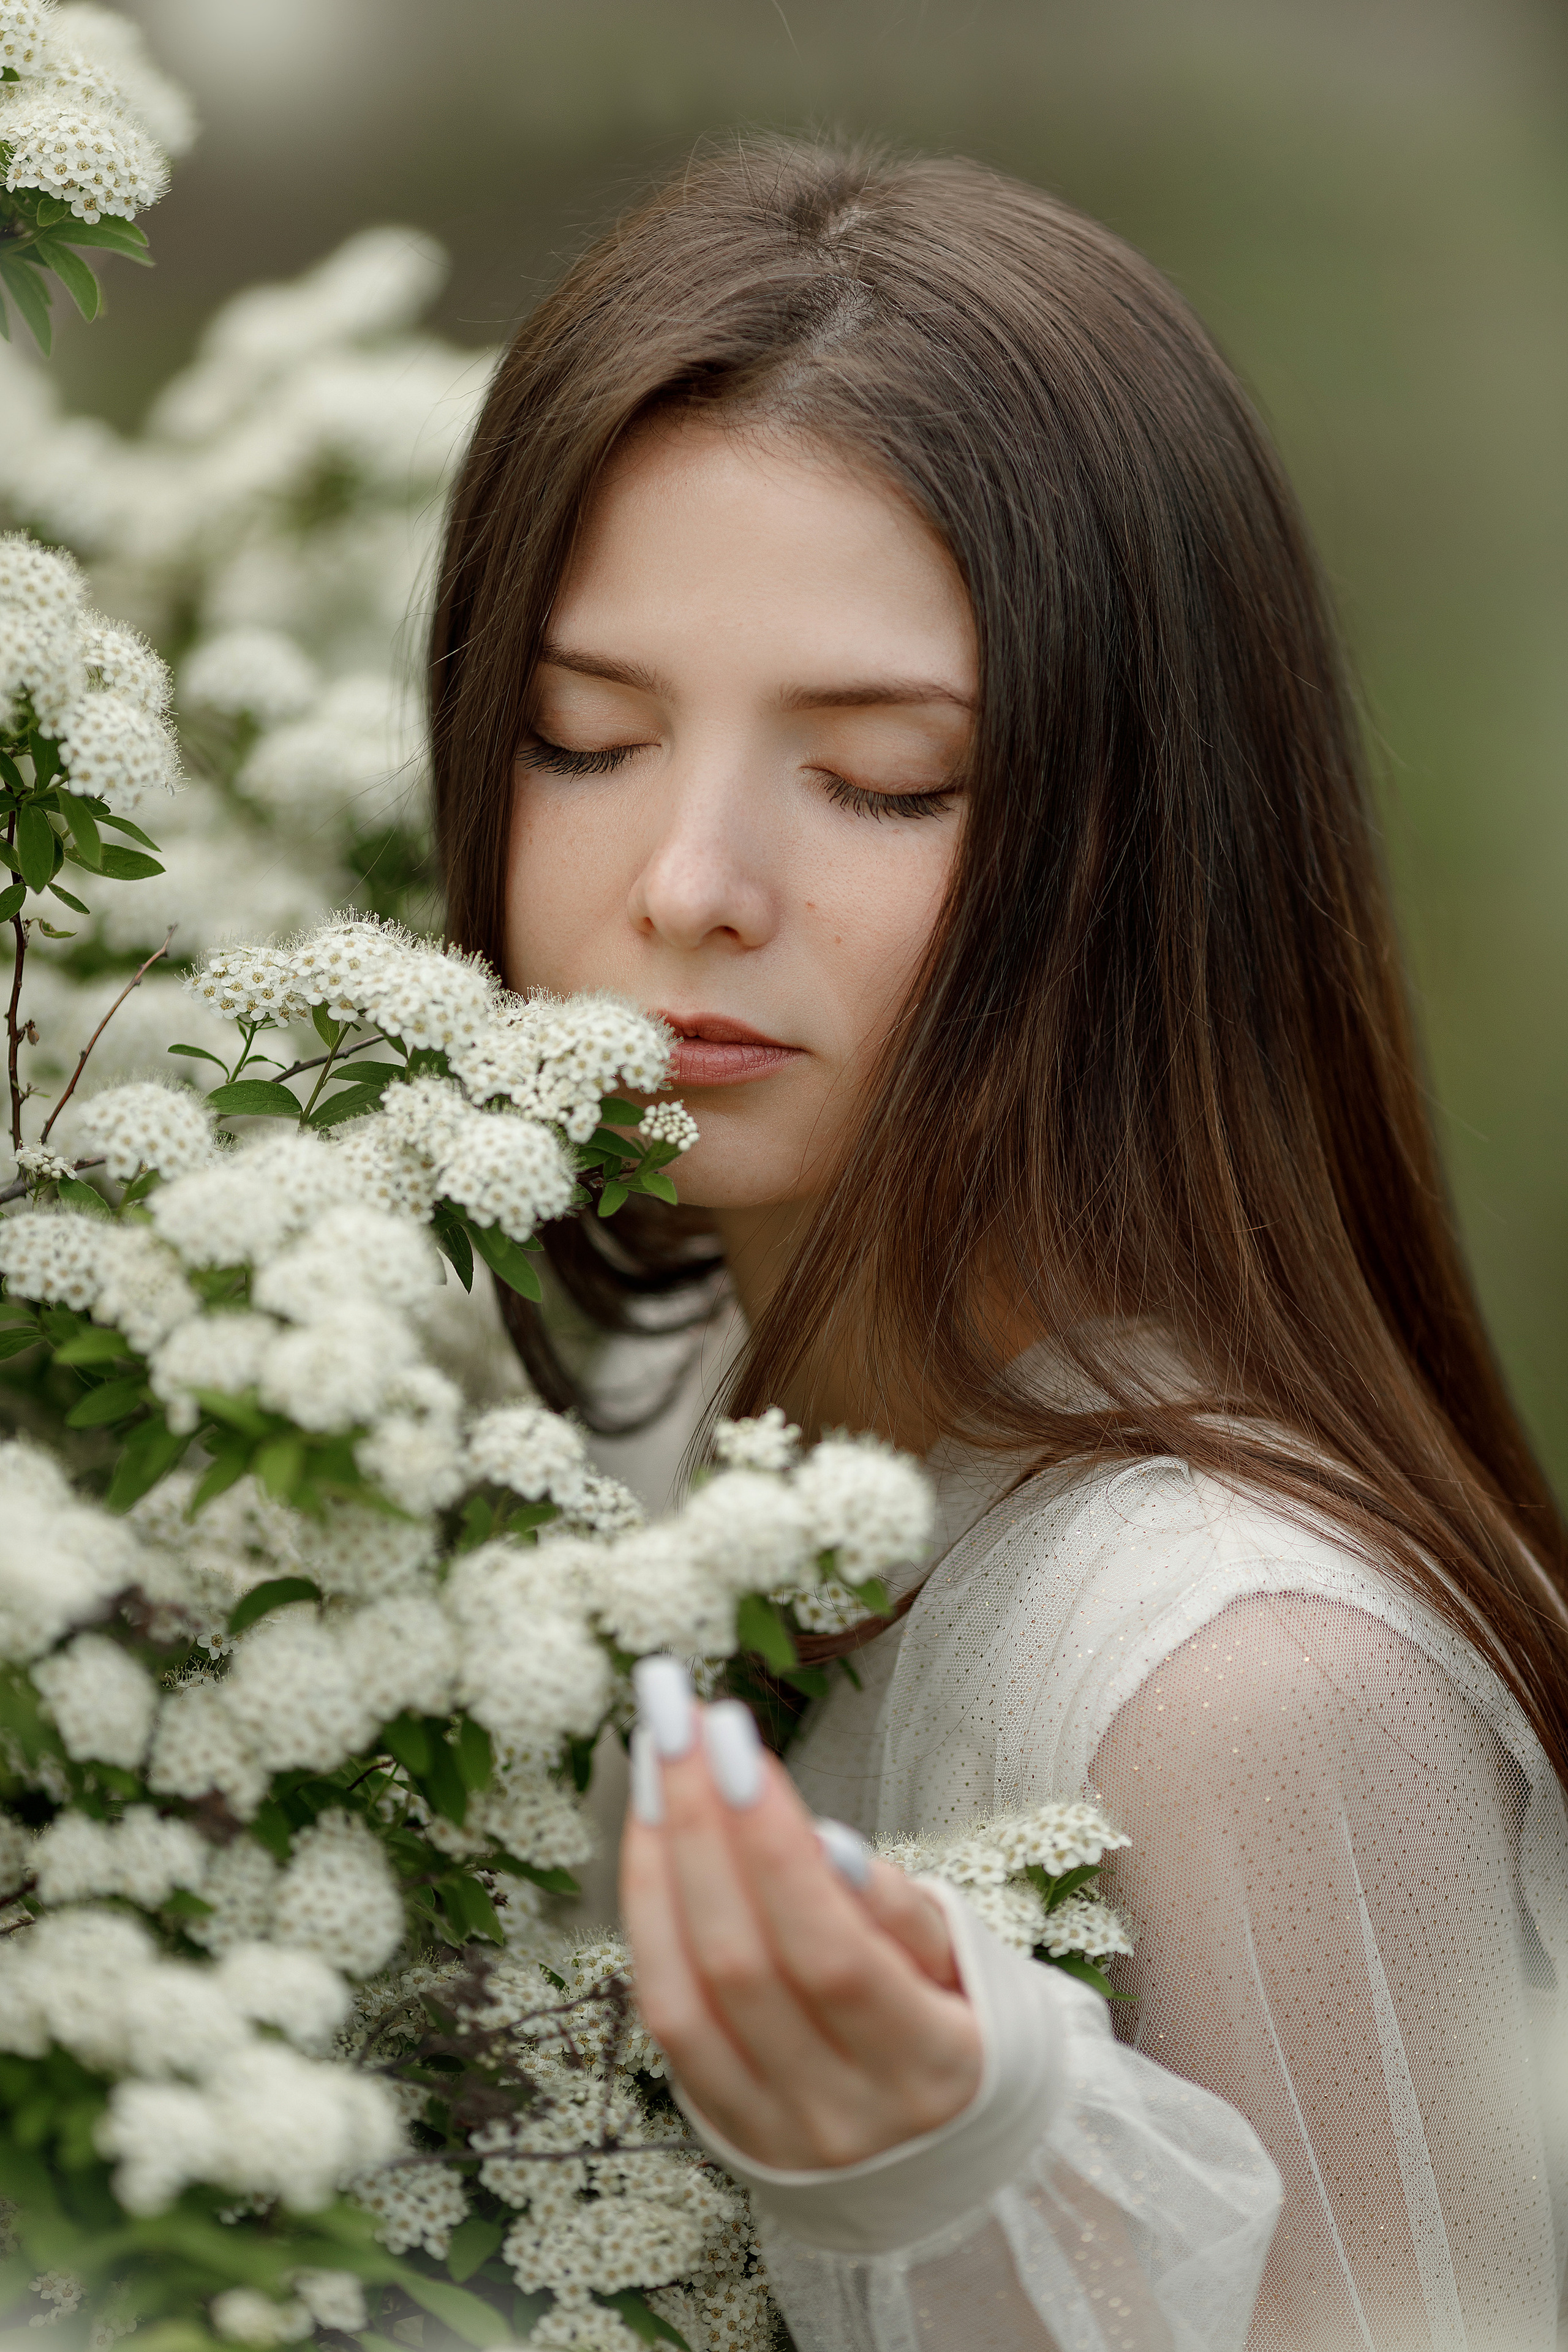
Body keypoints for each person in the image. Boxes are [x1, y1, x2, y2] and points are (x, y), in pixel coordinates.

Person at [429, 138, 1568, 2350]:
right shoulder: (639, 1451)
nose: (689, 882)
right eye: (587, 739)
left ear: (1151, 839)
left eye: (879, 775)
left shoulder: (1253, 1679)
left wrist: (974, 2168)